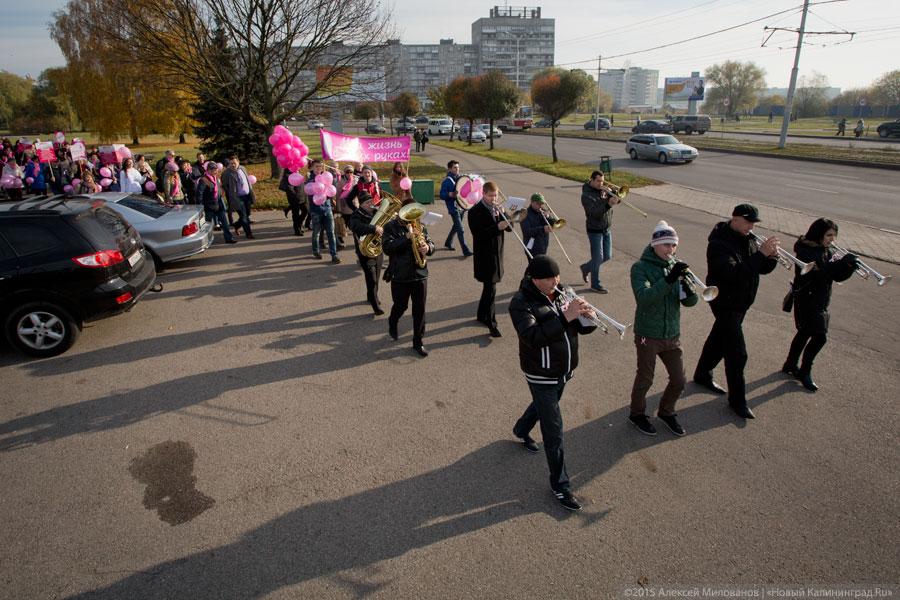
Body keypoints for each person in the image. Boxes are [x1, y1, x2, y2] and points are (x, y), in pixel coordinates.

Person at [509, 255, 597, 511]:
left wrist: (587, 317)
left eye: (557, 276)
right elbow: (532, 337)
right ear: (535, 280)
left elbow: (583, 329)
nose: (556, 281)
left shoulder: (563, 291)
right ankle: (561, 485)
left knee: (544, 406)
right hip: (540, 373)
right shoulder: (521, 303)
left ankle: (521, 429)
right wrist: (564, 318)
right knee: (554, 428)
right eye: (549, 278)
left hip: (563, 370)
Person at [692, 204, 778, 420]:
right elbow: (734, 273)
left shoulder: (748, 239)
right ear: (735, 219)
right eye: (748, 222)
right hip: (725, 303)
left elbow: (760, 269)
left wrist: (772, 257)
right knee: (737, 354)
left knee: (719, 339)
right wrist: (761, 255)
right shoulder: (718, 244)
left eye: (753, 223)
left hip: (742, 302)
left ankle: (702, 374)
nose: (751, 227)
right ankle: (737, 401)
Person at [628, 221, 698, 437]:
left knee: (679, 379)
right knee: (646, 378)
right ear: (655, 244)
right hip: (648, 333)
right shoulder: (640, 268)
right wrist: (669, 279)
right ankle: (637, 414)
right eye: (666, 244)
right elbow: (645, 298)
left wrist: (687, 289)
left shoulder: (674, 265)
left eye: (673, 245)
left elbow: (691, 302)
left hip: (672, 333)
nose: (670, 250)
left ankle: (667, 412)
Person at [782, 218, 857, 392]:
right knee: (820, 337)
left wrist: (849, 267)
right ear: (819, 234)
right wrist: (839, 263)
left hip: (820, 299)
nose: (832, 239)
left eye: (834, 236)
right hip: (806, 298)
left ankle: (790, 363)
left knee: (804, 332)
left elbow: (836, 276)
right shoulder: (805, 250)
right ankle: (805, 371)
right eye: (828, 235)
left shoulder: (826, 250)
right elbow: (817, 275)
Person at [382, 204, 435, 356]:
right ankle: (393, 321)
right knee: (401, 306)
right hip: (400, 275)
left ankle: (418, 342)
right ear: (399, 212)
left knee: (420, 310)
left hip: (420, 273)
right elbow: (387, 248)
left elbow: (430, 242)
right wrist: (406, 238)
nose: (412, 217)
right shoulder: (390, 227)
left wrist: (428, 248)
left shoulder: (419, 225)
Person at [468, 181, 509, 338]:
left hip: (497, 254)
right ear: (483, 194)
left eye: (496, 195)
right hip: (485, 257)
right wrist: (497, 227)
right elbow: (478, 234)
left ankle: (480, 315)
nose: (494, 198)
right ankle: (492, 324)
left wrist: (507, 218)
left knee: (489, 288)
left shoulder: (498, 209)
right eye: (491, 196)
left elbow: (510, 229)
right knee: (491, 290)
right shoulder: (475, 212)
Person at [578, 170, 619, 294]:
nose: (601, 183)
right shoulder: (586, 195)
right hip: (594, 230)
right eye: (598, 181)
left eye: (602, 181)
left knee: (607, 256)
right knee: (597, 258)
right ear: (591, 179)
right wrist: (608, 203)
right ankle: (595, 285)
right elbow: (594, 213)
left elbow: (616, 200)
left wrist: (615, 196)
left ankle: (585, 268)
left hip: (606, 228)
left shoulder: (604, 190)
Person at [347, 190, 385, 315]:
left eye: (371, 201)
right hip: (364, 251)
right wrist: (374, 228)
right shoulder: (356, 215)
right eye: (367, 202)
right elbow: (356, 227)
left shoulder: (376, 213)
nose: (370, 204)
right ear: (361, 204)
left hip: (378, 249)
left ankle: (371, 296)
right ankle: (375, 306)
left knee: (377, 277)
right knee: (371, 279)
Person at [307, 159, 340, 263]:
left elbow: (332, 189)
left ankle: (334, 255)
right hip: (315, 210)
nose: (319, 169)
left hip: (327, 209)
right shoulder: (309, 178)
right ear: (312, 167)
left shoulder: (326, 177)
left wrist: (335, 176)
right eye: (316, 166)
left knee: (331, 232)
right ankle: (316, 250)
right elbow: (309, 191)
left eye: (321, 166)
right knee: (316, 232)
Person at [196, 162, 236, 244]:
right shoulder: (203, 180)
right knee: (207, 226)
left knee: (225, 223)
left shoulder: (216, 177)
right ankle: (205, 241)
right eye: (214, 170)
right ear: (209, 170)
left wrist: (221, 193)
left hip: (218, 204)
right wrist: (200, 207)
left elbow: (218, 189)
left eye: (217, 170)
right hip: (208, 206)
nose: (216, 172)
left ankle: (229, 238)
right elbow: (199, 194)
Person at [439, 161, 472, 256]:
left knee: (456, 226)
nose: (457, 169)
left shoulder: (460, 178)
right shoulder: (447, 181)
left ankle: (448, 242)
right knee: (460, 229)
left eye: (458, 167)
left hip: (462, 206)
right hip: (453, 208)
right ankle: (465, 250)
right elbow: (442, 194)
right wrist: (450, 194)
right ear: (449, 169)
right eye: (454, 168)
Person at [221, 155, 255, 239]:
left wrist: (251, 193)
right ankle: (249, 234)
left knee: (247, 214)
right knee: (243, 216)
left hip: (247, 196)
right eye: (231, 163)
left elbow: (247, 180)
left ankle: (236, 225)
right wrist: (231, 194)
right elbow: (224, 185)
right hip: (237, 198)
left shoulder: (243, 169)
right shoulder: (226, 173)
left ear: (238, 162)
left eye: (234, 163)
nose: (233, 165)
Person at [519, 193, 554, 261]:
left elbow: (554, 224)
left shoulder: (543, 211)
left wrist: (549, 217)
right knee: (534, 268)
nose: (540, 206)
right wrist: (543, 229)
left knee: (541, 268)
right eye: (538, 204)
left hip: (543, 246)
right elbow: (527, 231)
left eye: (541, 204)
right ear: (532, 202)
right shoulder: (524, 213)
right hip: (532, 247)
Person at [279, 167, 306, 236]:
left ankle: (298, 224)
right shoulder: (288, 173)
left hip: (301, 195)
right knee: (296, 213)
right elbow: (289, 187)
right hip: (294, 197)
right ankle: (297, 229)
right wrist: (294, 195)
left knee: (305, 211)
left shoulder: (297, 169)